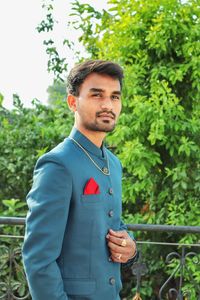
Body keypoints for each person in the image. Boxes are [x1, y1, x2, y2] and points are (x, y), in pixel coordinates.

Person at [22, 60, 137, 300]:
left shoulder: (113, 164)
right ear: (73, 101)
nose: (108, 104)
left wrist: (130, 247)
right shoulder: (57, 164)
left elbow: (111, 222)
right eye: (97, 95)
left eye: (115, 97)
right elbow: (38, 260)